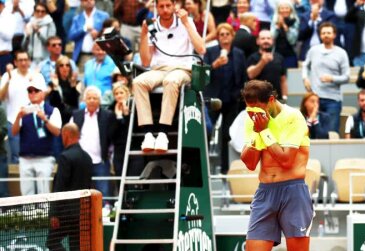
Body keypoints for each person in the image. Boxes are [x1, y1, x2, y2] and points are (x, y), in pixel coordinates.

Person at [232, 80, 316, 251]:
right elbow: (249, 163)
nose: (253, 115)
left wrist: (265, 130)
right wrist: (257, 131)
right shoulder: (253, 119)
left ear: (270, 100)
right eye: (249, 111)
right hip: (265, 194)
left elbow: (287, 160)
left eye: (257, 109)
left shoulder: (293, 117)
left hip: (293, 192)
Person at [132, 0, 205, 153]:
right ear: (156, 8)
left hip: (182, 69)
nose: (165, 10)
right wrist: (144, 35)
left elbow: (201, 49)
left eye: (168, 5)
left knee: (171, 80)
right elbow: (146, 61)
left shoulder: (186, 21)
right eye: (161, 6)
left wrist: (186, 22)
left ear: (174, 6)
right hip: (159, 69)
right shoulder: (152, 25)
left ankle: (163, 133)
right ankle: (148, 134)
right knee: (138, 82)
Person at [47, 123, 93, 251]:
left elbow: (60, 187)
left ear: (66, 134)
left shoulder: (66, 157)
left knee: (51, 242)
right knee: (75, 246)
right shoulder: (87, 157)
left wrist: (54, 214)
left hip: (66, 212)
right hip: (82, 210)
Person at [204, 23, 246, 174]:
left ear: (232, 36)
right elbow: (203, 74)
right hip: (212, 99)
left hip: (231, 99)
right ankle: (205, 167)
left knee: (228, 134)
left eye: (227, 34)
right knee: (207, 131)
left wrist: (239, 95)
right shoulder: (210, 52)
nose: (224, 37)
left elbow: (243, 77)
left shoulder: (239, 54)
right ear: (217, 37)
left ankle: (226, 169)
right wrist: (214, 65)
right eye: (221, 34)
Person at [11, 75, 62, 195]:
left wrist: (45, 119)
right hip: (26, 158)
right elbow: (14, 132)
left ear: (43, 93)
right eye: (30, 91)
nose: (32, 93)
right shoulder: (23, 110)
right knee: (26, 192)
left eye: (36, 90)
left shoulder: (52, 110)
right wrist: (19, 117)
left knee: (43, 191)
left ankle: (44, 214)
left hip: (45, 158)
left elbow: (57, 132)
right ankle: (29, 212)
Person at [302, 21, 350, 134]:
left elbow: (347, 77)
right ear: (320, 35)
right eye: (323, 33)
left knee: (331, 132)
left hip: (333, 100)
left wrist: (332, 78)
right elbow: (305, 65)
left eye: (328, 33)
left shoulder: (341, 53)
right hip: (315, 98)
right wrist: (305, 78)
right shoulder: (313, 50)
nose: (326, 35)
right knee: (311, 131)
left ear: (334, 35)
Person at [71, 86, 116, 201]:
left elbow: (112, 137)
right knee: (81, 193)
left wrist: (108, 156)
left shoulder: (108, 115)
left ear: (99, 101)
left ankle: (105, 213)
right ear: (84, 100)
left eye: (94, 98)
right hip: (81, 162)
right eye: (89, 98)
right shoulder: (76, 115)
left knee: (103, 193)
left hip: (100, 161)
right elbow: (71, 135)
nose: (91, 100)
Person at [0, 50, 44, 164]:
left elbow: (42, 97)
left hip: (33, 121)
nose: (23, 63)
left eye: (25, 60)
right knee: (16, 157)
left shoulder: (37, 75)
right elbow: (1, 97)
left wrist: (33, 83)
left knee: (35, 156)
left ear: (29, 61)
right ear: (15, 62)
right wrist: (9, 79)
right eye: (20, 60)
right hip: (13, 120)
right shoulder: (7, 75)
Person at [68, 0, 110, 70]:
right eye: (85, 0)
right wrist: (84, 29)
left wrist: (98, 34)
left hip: (102, 56)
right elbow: (71, 36)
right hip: (83, 56)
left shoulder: (104, 16)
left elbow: (110, 35)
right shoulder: (77, 18)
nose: (88, 1)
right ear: (81, 3)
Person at [247, 30, 288, 101]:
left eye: (268, 38)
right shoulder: (252, 58)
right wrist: (262, 62)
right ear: (257, 41)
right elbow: (250, 75)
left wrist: (285, 97)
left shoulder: (279, 57)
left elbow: (283, 80)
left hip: (276, 100)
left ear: (272, 41)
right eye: (263, 38)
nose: (266, 41)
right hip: (257, 100)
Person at [271, 0, 300, 69]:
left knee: (291, 77)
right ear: (278, 10)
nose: (284, 10)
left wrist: (284, 25)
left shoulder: (295, 21)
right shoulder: (274, 21)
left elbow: (292, 40)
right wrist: (278, 26)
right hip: (276, 53)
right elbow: (272, 37)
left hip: (290, 53)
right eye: (282, 8)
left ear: (291, 10)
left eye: (286, 8)